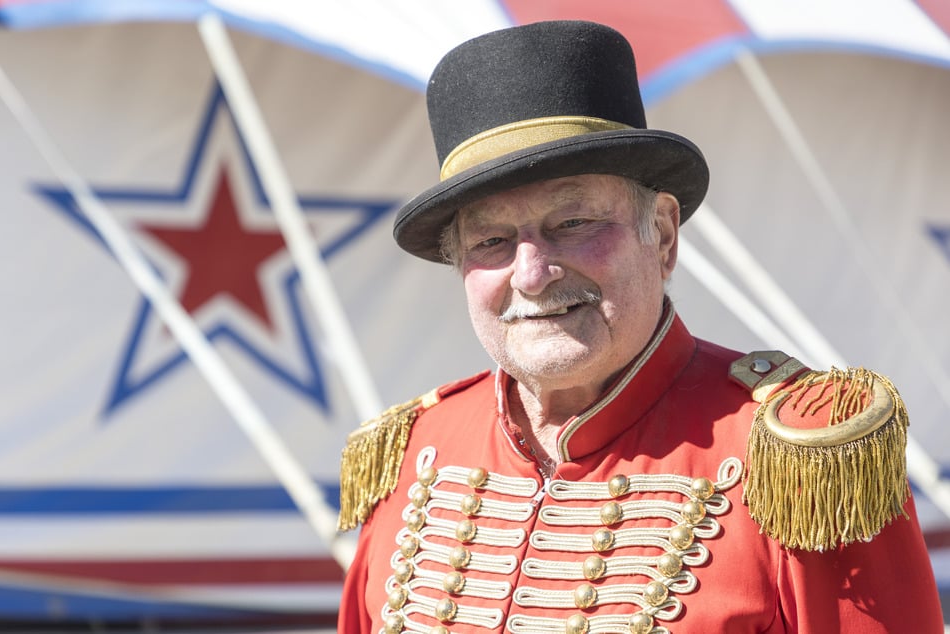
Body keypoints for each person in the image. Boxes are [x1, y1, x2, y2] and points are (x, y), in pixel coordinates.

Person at [336, 20, 943, 633]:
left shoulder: (803, 456)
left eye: (572, 222)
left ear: (663, 233)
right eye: (491, 240)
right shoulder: (415, 452)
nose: (532, 272)